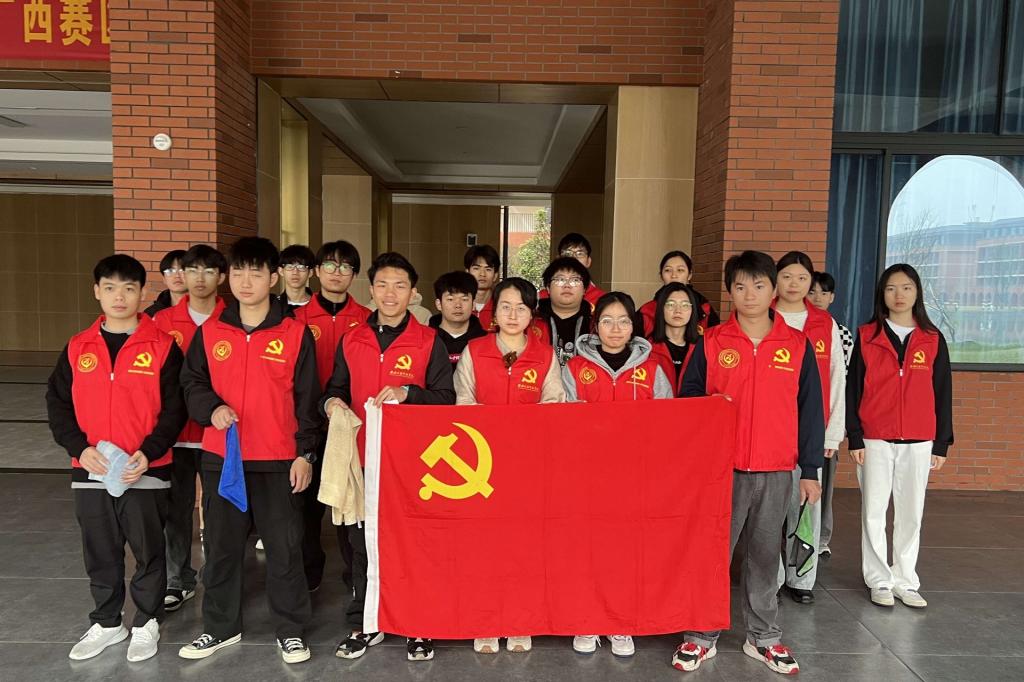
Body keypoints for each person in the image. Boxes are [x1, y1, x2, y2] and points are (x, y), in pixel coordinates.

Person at [672, 251, 823, 676]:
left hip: (777, 468)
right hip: (722, 470)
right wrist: (710, 405)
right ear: (730, 292)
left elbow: (811, 411)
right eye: (740, 286)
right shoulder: (713, 341)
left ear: (773, 290)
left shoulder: (796, 345)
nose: (749, 294)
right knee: (712, 554)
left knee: (764, 556)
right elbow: (688, 399)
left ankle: (763, 637)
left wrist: (810, 470)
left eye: (758, 286)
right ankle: (701, 635)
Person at [178, 237, 320, 664]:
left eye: (255, 273)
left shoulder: (294, 334)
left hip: (278, 459)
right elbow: (191, 383)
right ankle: (220, 627)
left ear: (273, 278)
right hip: (224, 459)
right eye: (238, 272)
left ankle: (290, 630)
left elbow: (307, 399)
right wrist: (212, 408)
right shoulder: (211, 332)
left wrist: (305, 454)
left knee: (284, 548)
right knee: (221, 548)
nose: (245, 281)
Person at [46, 254, 186, 663]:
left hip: (145, 468)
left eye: (128, 288)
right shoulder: (78, 347)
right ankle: (108, 622)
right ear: (97, 292)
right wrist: (79, 448)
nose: (119, 296)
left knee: (148, 550)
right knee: (100, 549)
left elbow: (175, 408)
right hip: (91, 468)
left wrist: (150, 450)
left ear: (142, 293)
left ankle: (147, 620)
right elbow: (57, 403)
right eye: (110, 288)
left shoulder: (162, 346)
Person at [322, 252, 456, 663]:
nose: (390, 293)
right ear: (372, 290)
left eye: (400, 285)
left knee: (413, 543)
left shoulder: (429, 341)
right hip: (362, 460)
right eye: (382, 285)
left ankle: (418, 624)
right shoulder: (352, 339)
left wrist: (408, 393)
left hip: (413, 465)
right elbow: (335, 387)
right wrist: (331, 404)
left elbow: (446, 399)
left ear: (413, 292)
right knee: (362, 544)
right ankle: (366, 622)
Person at [454, 277, 564, 654]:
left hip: (529, 467)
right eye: (506, 307)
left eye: (521, 308)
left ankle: (520, 620)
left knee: (525, 546)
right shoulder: (474, 351)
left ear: (532, 314)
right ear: (494, 313)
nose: (513, 315)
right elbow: (462, 402)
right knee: (483, 546)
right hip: (480, 467)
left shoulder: (545, 355)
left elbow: (555, 406)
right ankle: (485, 621)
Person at [562, 291, 672, 658]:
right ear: (596, 327)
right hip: (586, 478)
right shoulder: (575, 368)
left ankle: (620, 622)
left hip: (633, 479)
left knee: (626, 552)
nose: (615, 329)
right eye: (607, 321)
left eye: (623, 321)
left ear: (633, 326)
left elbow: (667, 425)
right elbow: (563, 422)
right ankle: (587, 619)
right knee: (586, 550)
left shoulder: (652, 370)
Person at [846, 264, 953, 610]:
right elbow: (853, 388)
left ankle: (906, 580)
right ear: (882, 294)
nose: (899, 295)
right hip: (875, 438)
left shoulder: (932, 338)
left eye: (906, 287)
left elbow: (943, 392)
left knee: (911, 514)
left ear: (917, 292)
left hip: (920, 440)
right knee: (874, 513)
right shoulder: (867, 336)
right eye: (891, 288)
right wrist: (855, 436)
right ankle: (879, 579)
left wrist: (942, 442)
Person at [152, 244, 227, 614]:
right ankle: (177, 579)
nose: (199, 278)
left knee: (220, 511)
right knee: (176, 510)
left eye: (208, 271)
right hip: (176, 436)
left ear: (221, 277)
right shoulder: (162, 322)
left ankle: (219, 578)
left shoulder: (234, 319)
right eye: (192, 270)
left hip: (220, 434)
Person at [291, 240, 370, 592]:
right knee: (305, 507)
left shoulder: (365, 320)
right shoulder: (296, 320)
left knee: (349, 505)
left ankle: (355, 577)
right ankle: (309, 574)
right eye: (330, 265)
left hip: (349, 429)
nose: (337, 273)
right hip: (307, 425)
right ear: (317, 271)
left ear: (354, 275)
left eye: (345, 267)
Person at [773, 251, 846, 605]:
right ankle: (771, 577)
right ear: (776, 279)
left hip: (812, 429)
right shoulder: (763, 316)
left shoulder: (823, 323)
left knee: (806, 505)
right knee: (770, 509)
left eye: (802, 278)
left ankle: (801, 577)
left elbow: (837, 376)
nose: (794, 284)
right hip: (772, 427)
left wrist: (833, 432)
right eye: (787, 276)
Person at [808, 270, 854, 557]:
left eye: (823, 293)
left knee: (824, 484)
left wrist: (837, 427)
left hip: (827, 420)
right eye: (813, 291)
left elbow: (842, 380)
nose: (817, 297)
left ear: (832, 297)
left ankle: (821, 538)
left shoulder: (841, 333)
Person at [638, 251, 720, 336]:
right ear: (661, 276)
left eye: (680, 270)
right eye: (668, 270)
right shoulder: (646, 311)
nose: (674, 275)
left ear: (689, 275)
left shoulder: (705, 309)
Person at [537, 256, 593, 366]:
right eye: (560, 280)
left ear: (585, 289)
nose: (567, 285)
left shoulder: (595, 325)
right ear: (548, 288)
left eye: (575, 280)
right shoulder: (532, 322)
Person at [648, 282, 701, 396]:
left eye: (685, 305)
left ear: (692, 310)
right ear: (661, 308)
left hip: (693, 406)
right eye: (671, 304)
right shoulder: (648, 349)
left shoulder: (703, 348)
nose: (678, 310)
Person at [430, 271, 487, 369]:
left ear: (473, 304)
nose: (458, 305)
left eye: (464, 299)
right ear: (439, 304)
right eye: (450, 299)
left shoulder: (486, 342)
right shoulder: (426, 340)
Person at [553, 232, 605, 309]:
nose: (574, 258)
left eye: (580, 254)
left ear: (588, 261)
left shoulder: (601, 299)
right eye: (567, 253)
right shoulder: (541, 297)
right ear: (558, 260)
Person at [464, 244, 501, 332]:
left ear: (495, 276)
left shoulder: (501, 306)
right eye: (476, 268)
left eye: (488, 269)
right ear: (467, 272)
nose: (482, 274)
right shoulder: (458, 306)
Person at [144, 249, 187, 317]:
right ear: (164, 278)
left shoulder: (204, 310)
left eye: (183, 270)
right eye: (170, 271)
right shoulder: (152, 314)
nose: (177, 275)